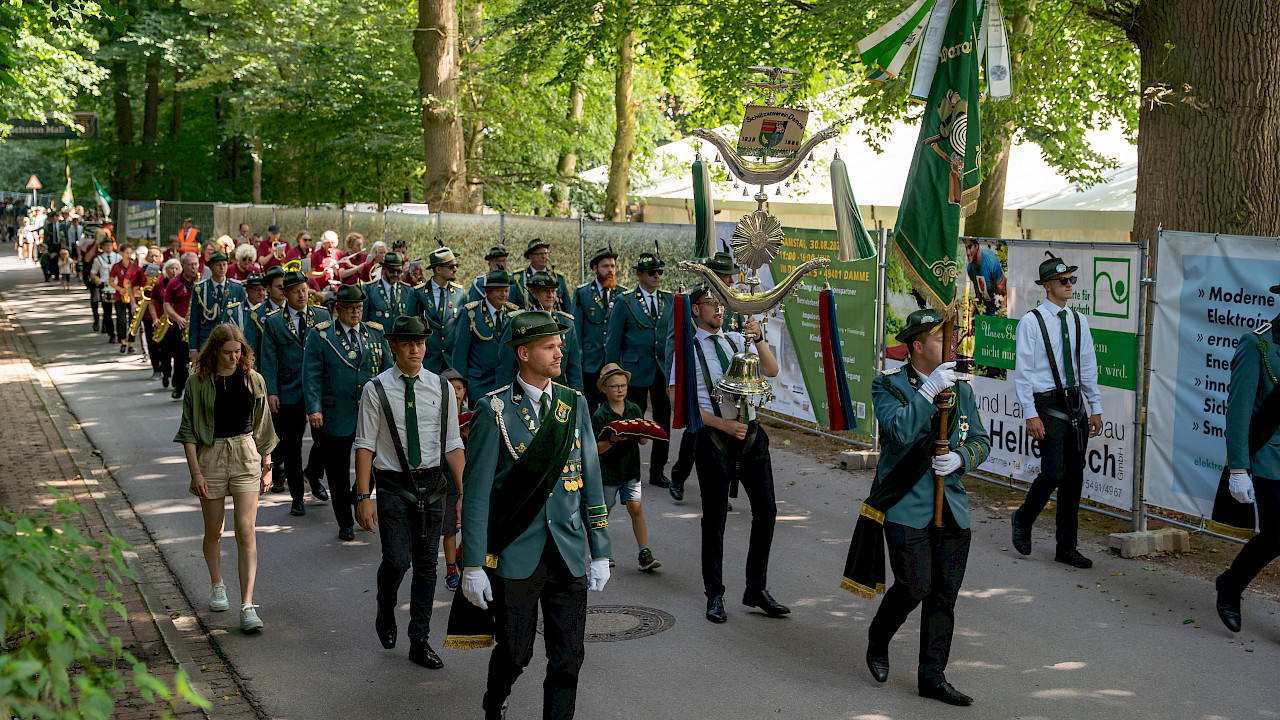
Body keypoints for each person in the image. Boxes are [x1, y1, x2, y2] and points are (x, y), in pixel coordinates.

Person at [456, 310, 612, 720]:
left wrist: (600, 550)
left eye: (560, 345)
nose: (560, 352)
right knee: (515, 652)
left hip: (568, 550)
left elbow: (591, 480)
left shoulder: (574, 404)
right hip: (517, 552)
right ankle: (495, 700)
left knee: (568, 659)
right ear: (523, 353)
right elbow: (476, 496)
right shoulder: (493, 410)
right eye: (549, 346)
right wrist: (472, 564)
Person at [855, 308, 990, 707]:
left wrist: (962, 458)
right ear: (916, 346)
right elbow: (898, 432)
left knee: (943, 595)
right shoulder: (889, 385)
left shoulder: (961, 389)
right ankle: (879, 637)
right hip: (905, 504)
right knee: (915, 585)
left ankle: (932, 677)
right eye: (939, 338)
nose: (949, 344)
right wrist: (928, 392)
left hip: (951, 506)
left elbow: (981, 440)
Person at [669, 284, 787, 624]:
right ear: (695, 310)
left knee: (767, 511)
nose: (719, 309)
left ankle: (756, 589)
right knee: (715, 519)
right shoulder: (688, 350)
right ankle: (715, 594)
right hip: (714, 440)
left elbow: (772, 370)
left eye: (722, 303)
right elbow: (679, 404)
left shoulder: (737, 341)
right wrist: (721, 424)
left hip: (751, 438)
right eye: (711, 303)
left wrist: (757, 336)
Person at [353, 316, 465, 669]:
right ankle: (385, 607)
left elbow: (453, 444)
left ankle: (420, 640)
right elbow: (364, 445)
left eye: (419, 343)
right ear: (394, 347)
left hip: (433, 485)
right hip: (393, 485)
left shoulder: (442, 388)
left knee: (428, 567)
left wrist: (466, 494)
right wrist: (363, 497)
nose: (415, 349)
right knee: (398, 561)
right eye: (406, 343)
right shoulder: (376, 389)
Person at [174, 322, 278, 633]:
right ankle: (217, 584)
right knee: (215, 530)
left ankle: (247, 606)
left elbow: (264, 425)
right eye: (228, 353)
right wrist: (195, 472)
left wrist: (268, 464)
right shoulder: (197, 383)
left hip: (246, 454)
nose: (234, 358)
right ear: (215, 352)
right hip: (211, 456)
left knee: (246, 531)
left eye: (238, 352)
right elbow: (188, 431)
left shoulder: (252, 379)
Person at [1010, 256, 1103, 568]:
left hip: (1074, 403)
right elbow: (1023, 372)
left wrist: (1095, 407)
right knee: (1053, 471)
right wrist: (1029, 413)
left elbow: (1087, 366)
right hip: (1046, 403)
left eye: (1071, 280)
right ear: (1047, 286)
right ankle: (1023, 518)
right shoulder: (1031, 322)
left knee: (1074, 477)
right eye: (1063, 281)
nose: (1069, 285)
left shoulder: (1078, 321)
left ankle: (1066, 547)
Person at [302, 284, 392, 541]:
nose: (356, 313)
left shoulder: (374, 333)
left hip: (370, 412)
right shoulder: (322, 335)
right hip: (336, 412)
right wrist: (314, 408)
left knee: (375, 463)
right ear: (338, 309)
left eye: (359, 308)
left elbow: (387, 371)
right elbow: (311, 374)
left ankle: (357, 496)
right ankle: (345, 521)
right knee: (337, 471)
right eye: (351, 308)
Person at [1214, 285, 1280, 633]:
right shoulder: (1257, 344)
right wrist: (1238, 468)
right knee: (1276, 535)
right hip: (1269, 456)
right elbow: (1238, 411)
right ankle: (1230, 584)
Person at [668, 251, 743, 500]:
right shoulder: (693, 300)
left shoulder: (731, 303)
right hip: (697, 375)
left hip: (725, 376)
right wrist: (677, 377)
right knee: (694, 433)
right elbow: (676, 341)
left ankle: (723, 489)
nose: (731, 281)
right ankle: (679, 477)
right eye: (726, 276)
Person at [262, 271, 332, 514]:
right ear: (285, 294)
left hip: (318, 390)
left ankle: (313, 472)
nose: (302, 296)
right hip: (288, 390)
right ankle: (297, 497)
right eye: (296, 292)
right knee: (292, 446)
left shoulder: (322, 316)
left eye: (304, 290)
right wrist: (272, 391)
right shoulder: (274, 322)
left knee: (325, 438)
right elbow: (268, 359)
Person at [606, 252, 674, 488]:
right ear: (639, 274)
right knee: (632, 421)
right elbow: (613, 341)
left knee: (663, 421)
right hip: (633, 371)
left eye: (659, 272)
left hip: (661, 370)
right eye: (652, 272)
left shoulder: (668, 300)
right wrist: (611, 373)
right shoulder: (625, 301)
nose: (657, 276)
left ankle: (658, 470)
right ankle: (628, 468)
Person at [592, 363, 660, 572]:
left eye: (623, 386)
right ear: (604, 389)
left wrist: (643, 433)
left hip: (631, 470)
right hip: (608, 472)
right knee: (604, 513)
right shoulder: (600, 415)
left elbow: (643, 441)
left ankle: (644, 553)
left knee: (636, 508)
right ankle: (600, 553)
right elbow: (595, 449)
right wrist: (612, 441)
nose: (620, 390)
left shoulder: (634, 409)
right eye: (614, 386)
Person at [499, 270, 583, 392]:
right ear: (533, 292)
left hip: (557, 394)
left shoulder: (566, 323)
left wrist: (577, 397)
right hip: (524, 392)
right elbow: (506, 366)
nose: (551, 295)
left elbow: (574, 368)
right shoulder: (518, 322)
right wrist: (505, 397)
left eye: (553, 291)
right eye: (545, 291)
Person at [452, 269, 518, 404]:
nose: (504, 294)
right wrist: (460, 386)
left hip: (507, 386)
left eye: (506, 290)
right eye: (499, 290)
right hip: (478, 386)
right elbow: (460, 353)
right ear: (487, 291)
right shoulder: (471, 314)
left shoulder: (513, 314)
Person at [573, 246, 625, 411]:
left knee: (613, 409)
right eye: (605, 266)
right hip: (590, 363)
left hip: (614, 364)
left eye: (613, 266)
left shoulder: (622, 295)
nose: (610, 270)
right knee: (589, 408)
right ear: (595, 268)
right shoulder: (583, 293)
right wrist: (578, 362)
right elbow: (576, 330)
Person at [187, 251, 249, 364]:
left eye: (224, 264)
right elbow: (194, 321)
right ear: (210, 267)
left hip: (231, 341)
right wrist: (193, 348)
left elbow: (244, 318)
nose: (222, 268)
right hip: (207, 340)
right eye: (217, 265)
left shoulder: (237, 287)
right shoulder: (200, 289)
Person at [439, 368, 469, 591]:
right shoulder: (436, 416)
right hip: (446, 483)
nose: (455, 392)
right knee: (449, 529)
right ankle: (450, 569)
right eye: (450, 388)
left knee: (471, 525)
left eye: (459, 388)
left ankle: (461, 555)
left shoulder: (472, 415)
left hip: (469, 482)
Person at [416, 247, 467, 374]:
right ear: (438, 269)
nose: (455, 269)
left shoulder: (460, 293)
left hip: (452, 363)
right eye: (451, 267)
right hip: (428, 363)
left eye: (456, 265)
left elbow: (464, 329)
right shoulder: (418, 294)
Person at [162, 253, 199, 397]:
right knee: (180, 357)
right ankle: (179, 385)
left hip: (198, 324)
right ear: (183, 266)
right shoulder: (174, 282)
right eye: (190, 265)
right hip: (182, 324)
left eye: (195, 264)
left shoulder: (201, 280)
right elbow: (167, 304)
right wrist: (177, 318)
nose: (194, 267)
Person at [510, 238, 571, 313]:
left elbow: (567, 307)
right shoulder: (519, 279)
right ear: (530, 256)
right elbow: (511, 307)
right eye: (540, 254)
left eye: (546, 253)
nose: (544, 257)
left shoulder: (557, 277)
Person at [244, 266, 286, 367]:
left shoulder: (294, 309)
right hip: (266, 367)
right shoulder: (255, 314)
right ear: (268, 288)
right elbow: (252, 349)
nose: (283, 290)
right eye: (279, 287)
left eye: (285, 286)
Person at [363, 252, 419, 327]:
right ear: (384, 269)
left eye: (399, 271)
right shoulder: (370, 290)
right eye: (392, 271)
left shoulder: (407, 291)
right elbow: (363, 321)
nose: (395, 274)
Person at [107, 244, 141, 354]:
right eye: (127, 253)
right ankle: (123, 342)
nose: (129, 255)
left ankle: (131, 343)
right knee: (121, 320)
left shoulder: (134, 267)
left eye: (130, 253)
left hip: (133, 296)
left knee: (133, 320)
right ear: (121, 253)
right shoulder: (116, 266)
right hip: (120, 296)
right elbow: (111, 281)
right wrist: (119, 289)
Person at [963, 238, 1006, 316]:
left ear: (977, 245)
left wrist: (1000, 319)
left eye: (970, 247)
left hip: (998, 312)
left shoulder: (992, 263)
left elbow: (1005, 295)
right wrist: (971, 317)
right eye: (966, 248)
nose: (967, 253)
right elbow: (978, 296)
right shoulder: (970, 268)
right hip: (985, 311)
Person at [92, 239, 121, 344]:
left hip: (117, 287)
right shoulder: (98, 259)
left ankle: (121, 334)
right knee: (107, 313)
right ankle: (111, 333)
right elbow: (93, 273)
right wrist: (96, 278)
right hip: (105, 287)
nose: (108, 247)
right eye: (106, 245)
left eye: (110, 245)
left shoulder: (118, 257)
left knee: (120, 312)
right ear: (102, 247)